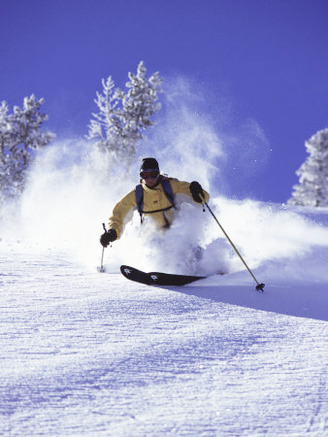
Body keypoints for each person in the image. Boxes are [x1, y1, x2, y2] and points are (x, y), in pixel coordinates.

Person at [100, 157, 209, 247]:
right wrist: (112, 232)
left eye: (153, 174)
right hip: (153, 240)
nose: (150, 179)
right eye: (145, 175)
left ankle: (208, 267)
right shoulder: (137, 194)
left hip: (177, 235)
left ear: (158, 173)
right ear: (141, 176)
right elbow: (119, 214)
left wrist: (198, 193)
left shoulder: (171, 186)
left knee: (185, 245)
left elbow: (202, 199)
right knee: (155, 247)